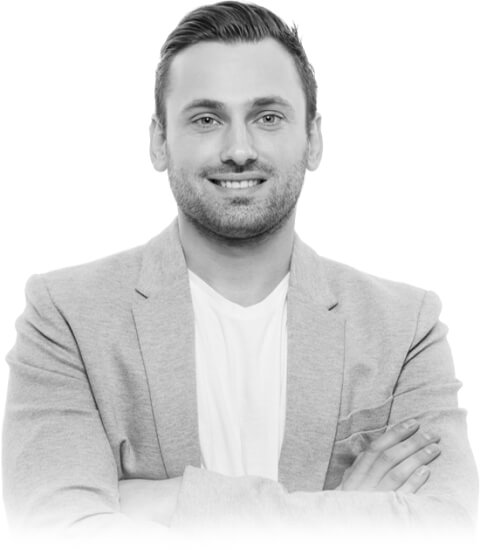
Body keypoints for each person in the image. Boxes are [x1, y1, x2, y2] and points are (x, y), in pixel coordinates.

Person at [2, 0, 477, 537]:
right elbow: (53, 531)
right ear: (159, 141)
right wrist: (344, 515)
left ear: (313, 139)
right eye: (207, 119)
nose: (238, 149)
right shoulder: (65, 317)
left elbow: (450, 527)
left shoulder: (406, 327)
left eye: (268, 117)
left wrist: (171, 502)